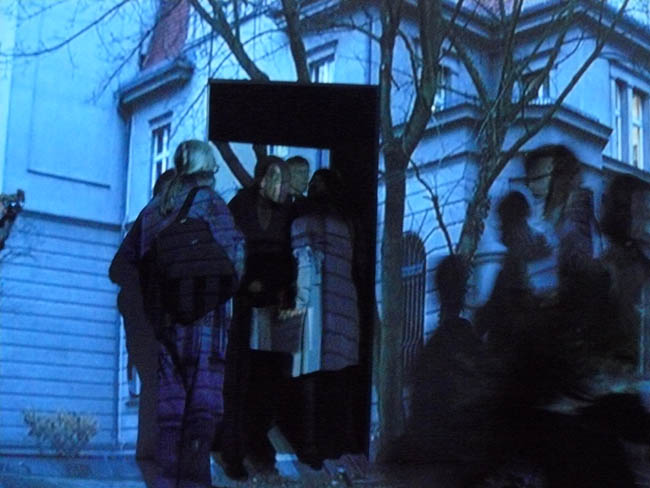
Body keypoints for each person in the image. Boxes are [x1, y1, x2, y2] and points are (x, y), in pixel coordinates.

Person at [112, 140, 244, 488]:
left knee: (169, 410)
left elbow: (127, 264)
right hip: (206, 325)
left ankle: (165, 481)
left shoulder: (154, 208)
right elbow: (236, 260)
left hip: (164, 322)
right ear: (207, 169)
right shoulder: (212, 204)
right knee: (202, 409)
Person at [220, 156, 294, 476]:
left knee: (270, 379)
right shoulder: (240, 206)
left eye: (286, 181)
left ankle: (259, 444)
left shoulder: (287, 212)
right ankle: (235, 452)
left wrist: (282, 290)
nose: (284, 187)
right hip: (242, 305)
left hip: (274, 306)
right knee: (240, 378)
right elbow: (226, 249)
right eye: (278, 180)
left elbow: (292, 257)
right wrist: (244, 283)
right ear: (262, 180)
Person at [285, 169, 360, 467]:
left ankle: (313, 444)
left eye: (316, 183)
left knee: (314, 377)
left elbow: (302, 266)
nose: (311, 187)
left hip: (319, 306)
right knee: (333, 378)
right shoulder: (347, 223)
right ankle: (332, 442)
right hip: (338, 306)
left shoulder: (305, 221)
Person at [110, 169, 176, 463]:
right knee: (156, 385)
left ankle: (155, 456)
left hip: (154, 320)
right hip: (146, 322)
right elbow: (118, 270)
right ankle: (152, 456)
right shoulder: (149, 223)